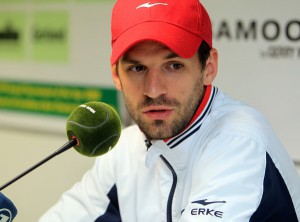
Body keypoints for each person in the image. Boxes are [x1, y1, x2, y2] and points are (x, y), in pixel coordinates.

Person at [40, 0, 300, 221]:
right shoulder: (125, 146)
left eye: (173, 66)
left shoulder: (240, 142)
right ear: (116, 76)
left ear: (208, 67)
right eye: (137, 68)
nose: (153, 90)